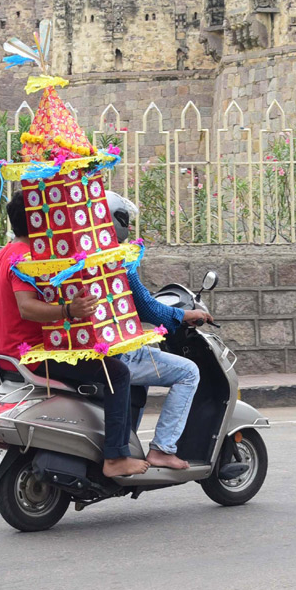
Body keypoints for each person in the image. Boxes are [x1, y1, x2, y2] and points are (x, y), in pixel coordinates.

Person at [0, 191, 149, 478]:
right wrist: (69, 311)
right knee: (118, 374)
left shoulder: (6, 251)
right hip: (30, 354)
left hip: (8, 353)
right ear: (38, 221)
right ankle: (115, 457)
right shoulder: (26, 257)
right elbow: (27, 308)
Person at [106, 191, 213, 470]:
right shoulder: (119, 259)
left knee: (143, 371)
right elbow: (148, 309)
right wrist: (188, 314)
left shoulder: (80, 255)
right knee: (189, 372)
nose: (128, 229)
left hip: (91, 348)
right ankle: (162, 449)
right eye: (125, 222)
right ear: (115, 221)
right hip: (118, 351)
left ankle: (130, 443)